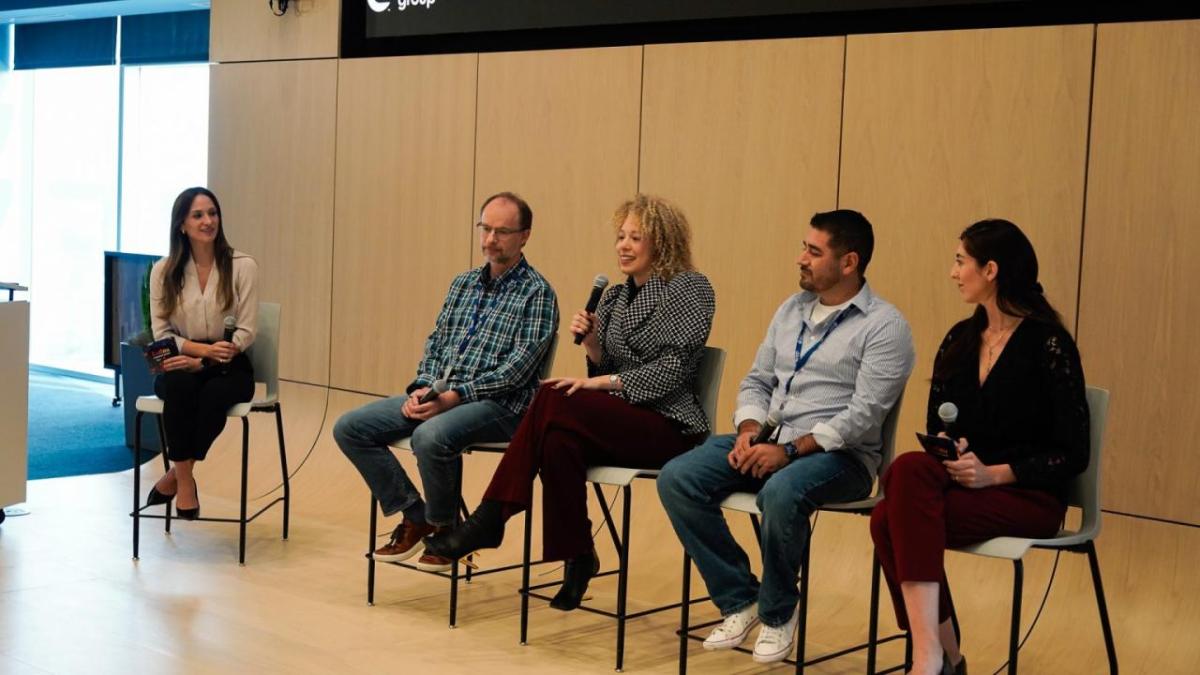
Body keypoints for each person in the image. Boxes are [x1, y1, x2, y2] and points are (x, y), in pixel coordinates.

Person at [424, 194, 716, 611]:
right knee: (559, 440)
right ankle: (578, 556)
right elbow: (609, 366)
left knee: (549, 395)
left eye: (636, 237)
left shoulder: (690, 288)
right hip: (621, 419)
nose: (624, 246)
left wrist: (598, 382)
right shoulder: (614, 296)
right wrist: (595, 345)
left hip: (668, 425)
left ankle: (491, 518)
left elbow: (674, 371)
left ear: (663, 243)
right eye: (620, 236)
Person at [657, 209, 914, 664]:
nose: (801, 258)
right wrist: (750, 430)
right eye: (804, 247)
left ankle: (777, 614)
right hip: (772, 440)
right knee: (678, 477)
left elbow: (863, 416)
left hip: (841, 458)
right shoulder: (791, 310)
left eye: (814, 252)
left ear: (849, 262)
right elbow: (757, 381)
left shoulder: (884, 326)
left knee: (781, 491)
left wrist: (790, 451)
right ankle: (741, 598)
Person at [870, 219, 1089, 675]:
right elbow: (937, 426)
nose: (953, 272)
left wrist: (996, 472)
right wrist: (954, 447)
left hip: (1028, 496)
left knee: (888, 518)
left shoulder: (1049, 344)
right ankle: (937, 656)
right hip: (965, 485)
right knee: (909, 467)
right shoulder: (960, 338)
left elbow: (1072, 453)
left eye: (959, 261)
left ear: (990, 269)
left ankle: (937, 657)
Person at [334, 192, 558, 572]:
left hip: (502, 407)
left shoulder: (537, 293)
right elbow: (437, 342)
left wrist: (456, 397)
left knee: (430, 436)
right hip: (444, 395)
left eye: (502, 232)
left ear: (525, 236)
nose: (490, 240)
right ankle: (414, 514)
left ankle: (446, 530)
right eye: (485, 228)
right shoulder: (463, 284)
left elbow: (517, 371)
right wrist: (421, 388)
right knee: (350, 427)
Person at [145, 187, 259, 520]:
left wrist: (208, 359)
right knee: (180, 388)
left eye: (212, 213)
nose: (208, 221)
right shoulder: (163, 271)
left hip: (229, 363)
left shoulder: (243, 265)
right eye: (198, 215)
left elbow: (247, 330)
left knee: (213, 395)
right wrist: (196, 354)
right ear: (182, 224)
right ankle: (185, 482)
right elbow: (161, 334)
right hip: (181, 359)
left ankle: (176, 477)